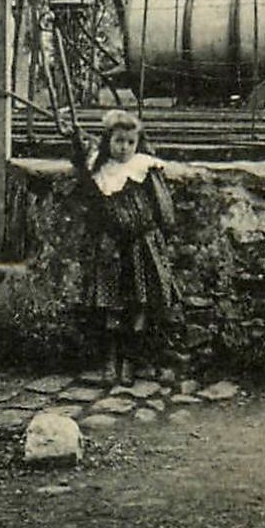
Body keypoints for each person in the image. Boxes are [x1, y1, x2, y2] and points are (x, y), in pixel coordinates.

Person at [65, 110, 181, 377]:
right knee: (111, 302)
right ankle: (110, 359)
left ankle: (130, 359)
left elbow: (162, 206)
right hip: (111, 245)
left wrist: (161, 234)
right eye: (119, 141)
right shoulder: (101, 169)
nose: (125, 148)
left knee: (141, 300)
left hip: (142, 243)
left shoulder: (144, 167)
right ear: (109, 141)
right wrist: (75, 141)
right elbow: (85, 185)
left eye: (130, 142)